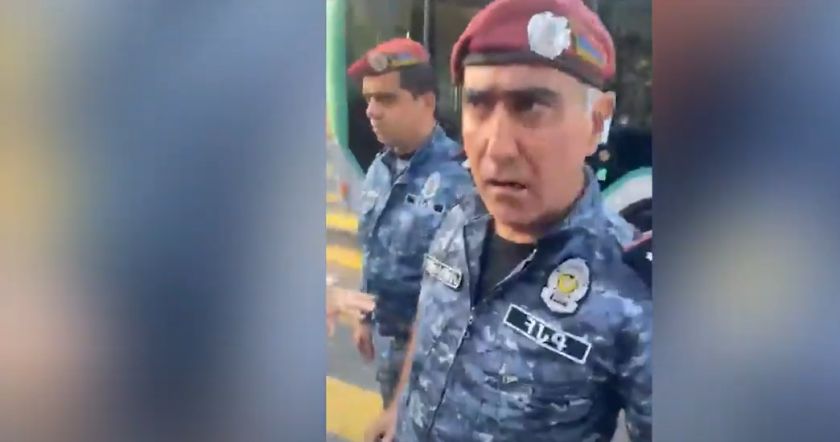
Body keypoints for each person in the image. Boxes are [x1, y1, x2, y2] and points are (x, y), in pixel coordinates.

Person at [364, 1, 651, 441]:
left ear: (597, 122)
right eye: (478, 105)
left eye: (531, 107)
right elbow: (431, 313)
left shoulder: (633, 290)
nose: (496, 148)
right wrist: (398, 408)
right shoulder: (459, 213)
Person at [344, 38, 475, 408]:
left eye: (386, 99)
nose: (372, 111)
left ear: (427, 102)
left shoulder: (462, 178)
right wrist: (365, 318)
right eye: (369, 99)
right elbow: (374, 250)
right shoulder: (379, 168)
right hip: (389, 347)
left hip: (440, 362)